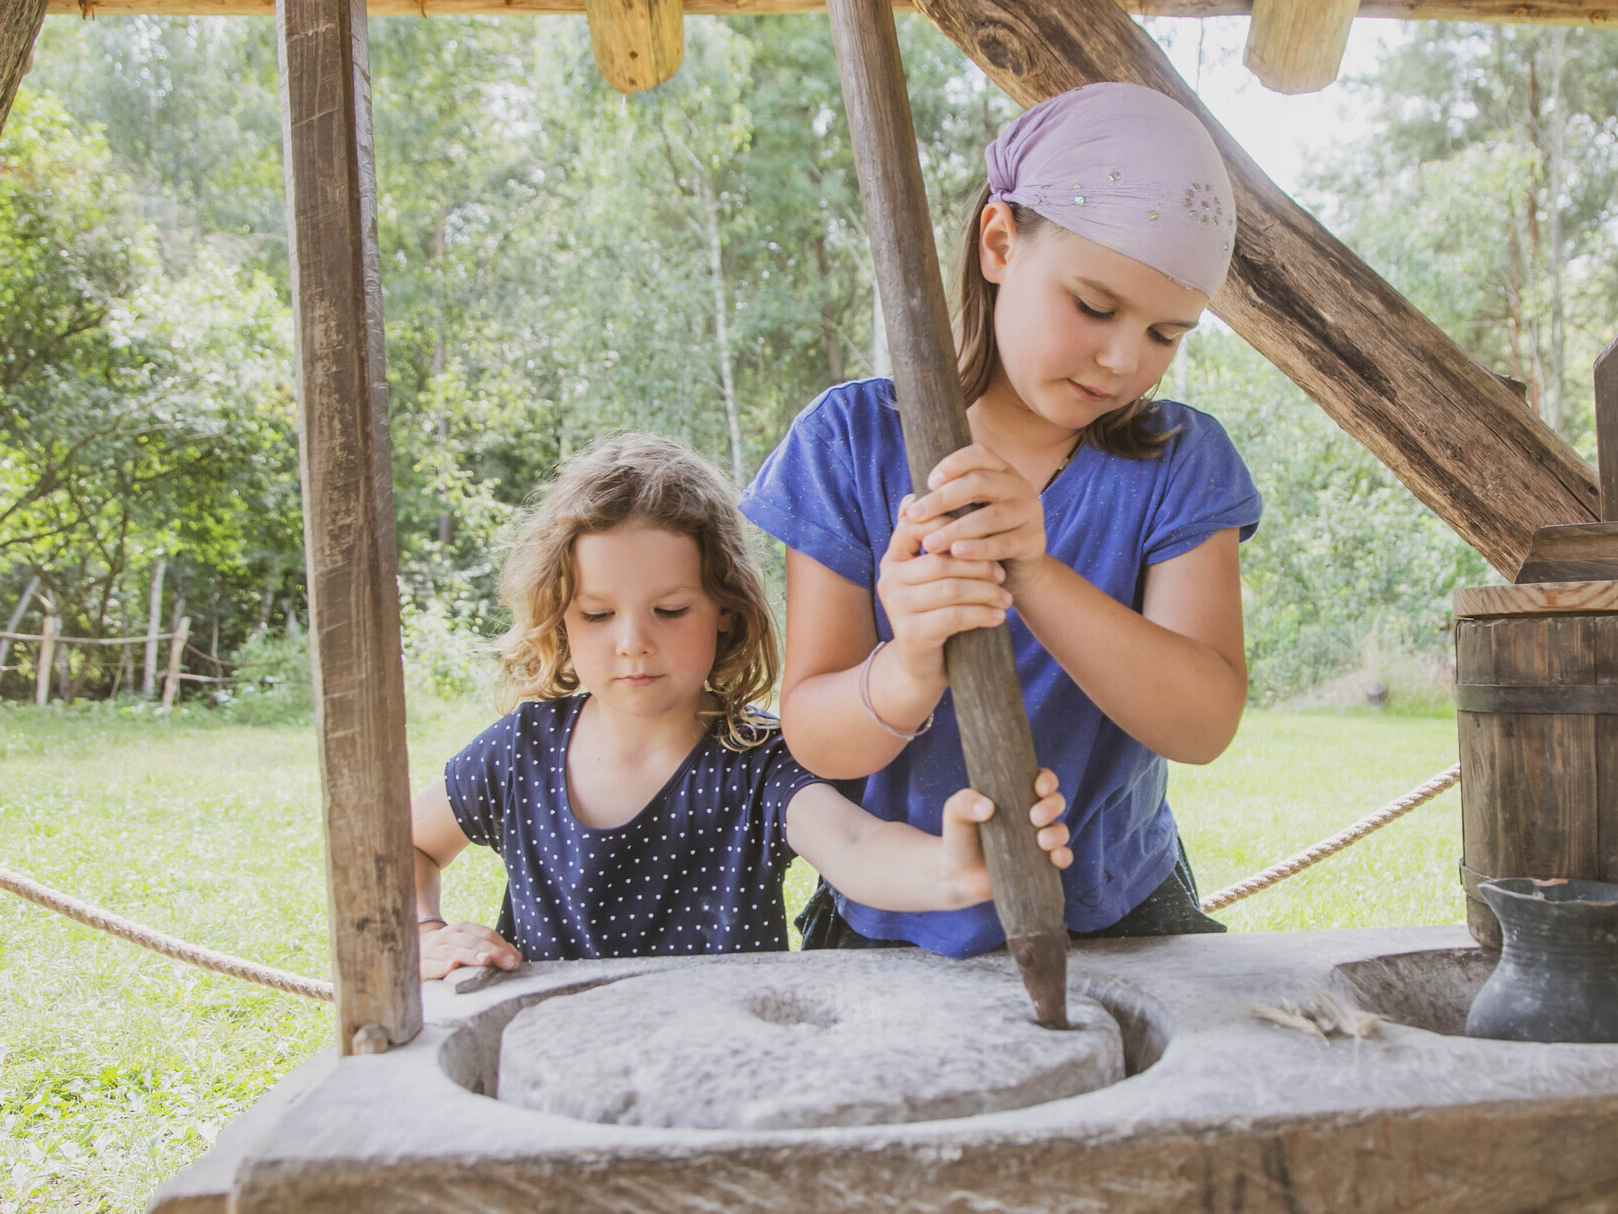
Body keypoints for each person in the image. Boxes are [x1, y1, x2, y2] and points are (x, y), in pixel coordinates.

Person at [741, 82, 1259, 959]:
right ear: (998, 243)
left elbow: (1201, 721)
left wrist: (1034, 570)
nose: (1124, 359)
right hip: (887, 923)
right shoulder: (850, 443)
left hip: (1119, 917)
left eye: (1168, 333)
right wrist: (910, 662)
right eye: (1095, 306)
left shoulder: (1177, 460)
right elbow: (818, 735)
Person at [413, 433, 1071, 980]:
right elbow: (401, 846)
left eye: (670, 610)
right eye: (597, 613)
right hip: (554, 1092)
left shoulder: (757, 761)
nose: (633, 643)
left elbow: (855, 843)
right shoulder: (520, 751)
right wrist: (425, 930)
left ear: (725, 612)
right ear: (560, 616)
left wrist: (950, 869)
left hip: (725, 1090)